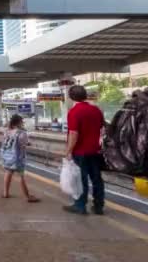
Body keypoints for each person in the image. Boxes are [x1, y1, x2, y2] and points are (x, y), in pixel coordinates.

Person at [63, 85, 105, 215]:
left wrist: (68, 151)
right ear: (85, 95)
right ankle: (98, 206)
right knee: (97, 179)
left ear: (70, 97)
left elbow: (74, 134)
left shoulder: (74, 112)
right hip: (96, 151)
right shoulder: (96, 110)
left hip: (80, 152)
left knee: (81, 179)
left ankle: (80, 206)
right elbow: (102, 129)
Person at [1, 114, 40, 202]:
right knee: (21, 176)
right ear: (18, 122)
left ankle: (5, 193)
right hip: (17, 158)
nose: (22, 123)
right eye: (21, 122)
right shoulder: (21, 133)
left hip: (7, 156)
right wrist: (28, 144)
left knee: (8, 172)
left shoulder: (6, 131)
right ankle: (27, 196)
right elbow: (23, 144)